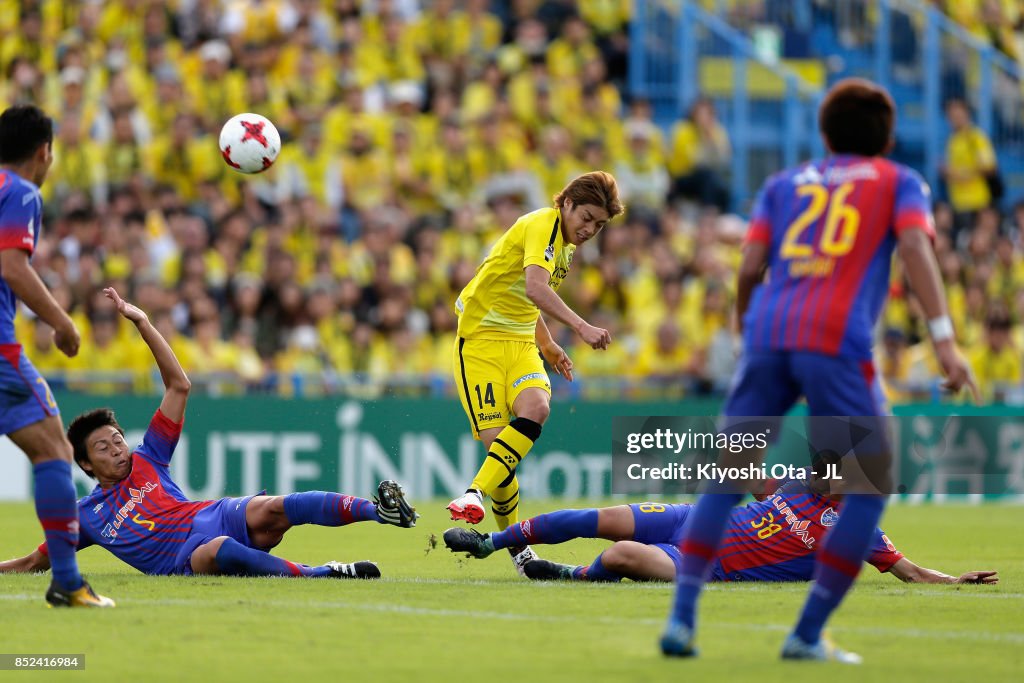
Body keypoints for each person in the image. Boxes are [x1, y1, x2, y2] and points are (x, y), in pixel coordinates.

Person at [660, 78, 979, 663]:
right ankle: (806, 635)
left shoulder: (784, 184)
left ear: (825, 133)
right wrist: (945, 342)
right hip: (835, 340)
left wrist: (743, 326)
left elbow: (751, 263)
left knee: (728, 476)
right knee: (866, 485)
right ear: (886, 137)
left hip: (769, 335)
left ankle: (681, 622)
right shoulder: (898, 180)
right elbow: (914, 249)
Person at [0, 288, 418, 580]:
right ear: (87, 464)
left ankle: (377, 511)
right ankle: (323, 573)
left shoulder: (149, 457)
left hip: (212, 514)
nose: (117, 448)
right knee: (219, 551)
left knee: (276, 506)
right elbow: (35, 561)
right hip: (186, 557)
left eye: (117, 438)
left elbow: (179, 386)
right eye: (103, 448)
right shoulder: (86, 517)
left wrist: (144, 323)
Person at [446, 171, 624, 573]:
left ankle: (474, 494)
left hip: (521, 341)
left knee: (537, 407)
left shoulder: (566, 246)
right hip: (480, 339)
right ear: (567, 204)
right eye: (587, 217)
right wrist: (580, 327)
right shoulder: (543, 223)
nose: (590, 229)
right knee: (499, 447)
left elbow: (524, 296)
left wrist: (546, 343)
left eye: (599, 224)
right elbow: (534, 288)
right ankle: (518, 552)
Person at [443, 473, 998, 586]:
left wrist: (953, 582)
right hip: (695, 521)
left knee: (622, 555)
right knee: (606, 519)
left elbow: (907, 570)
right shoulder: (804, 484)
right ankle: (490, 542)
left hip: (709, 566)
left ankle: (567, 576)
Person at [0, 104, 114, 607]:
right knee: (55, 452)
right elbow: (12, 266)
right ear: (44, 152)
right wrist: (62, 321)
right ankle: (68, 582)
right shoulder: (20, 192)